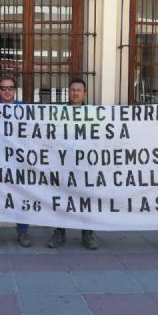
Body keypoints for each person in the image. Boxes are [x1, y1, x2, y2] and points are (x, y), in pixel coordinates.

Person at [47, 78, 99, 250]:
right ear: (68, 93)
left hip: (85, 164)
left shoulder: (93, 113)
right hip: (64, 163)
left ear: (85, 94)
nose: (75, 93)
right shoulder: (59, 112)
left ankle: (87, 233)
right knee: (62, 197)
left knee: (86, 197)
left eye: (78, 90)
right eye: (72, 90)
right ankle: (59, 233)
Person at [0, 73, 32, 247]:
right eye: (3, 88)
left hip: (17, 160)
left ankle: (23, 232)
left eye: (10, 88)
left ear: (15, 90)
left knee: (19, 195)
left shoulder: (23, 109)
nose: (7, 91)